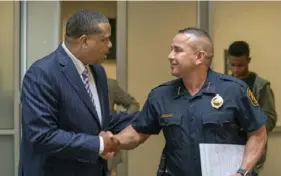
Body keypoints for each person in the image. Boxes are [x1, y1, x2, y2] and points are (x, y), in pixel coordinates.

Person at [108, 27, 268, 176]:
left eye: (178, 50)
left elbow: (258, 135)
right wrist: (114, 141)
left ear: (199, 57)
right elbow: (137, 132)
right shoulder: (161, 95)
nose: (170, 56)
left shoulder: (234, 90)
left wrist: (242, 172)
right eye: (171, 49)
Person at [18, 10, 134, 176]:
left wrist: (148, 117)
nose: (110, 45)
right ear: (84, 41)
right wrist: (99, 144)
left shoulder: (97, 71)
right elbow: (41, 136)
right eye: (105, 39)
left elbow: (99, 120)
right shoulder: (42, 74)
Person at [228, 41, 277, 175]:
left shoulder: (261, 87)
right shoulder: (224, 85)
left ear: (248, 60)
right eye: (232, 65)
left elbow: (270, 118)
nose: (236, 70)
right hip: (228, 150)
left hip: (251, 152)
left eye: (240, 65)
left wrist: (249, 129)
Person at [106, 78, 140, 175]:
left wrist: (119, 122)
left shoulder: (109, 84)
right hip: (81, 147)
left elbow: (133, 104)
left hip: (107, 146)